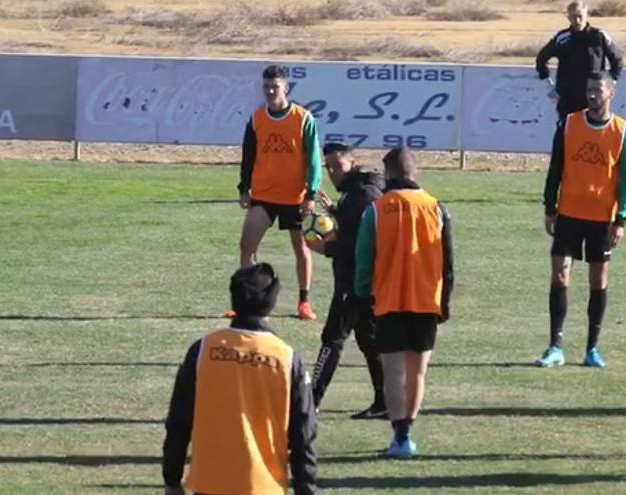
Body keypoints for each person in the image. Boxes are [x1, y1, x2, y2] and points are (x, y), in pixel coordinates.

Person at [162, 263, 318, 495]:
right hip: (265, 487)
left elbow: (179, 420)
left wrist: (172, 479)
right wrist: (306, 489)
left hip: (209, 485)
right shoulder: (285, 358)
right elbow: (303, 433)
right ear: (271, 303)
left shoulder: (203, 350)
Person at [355, 147, 453, 459]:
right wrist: (444, 301)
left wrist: (362, 293)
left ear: (389, 175)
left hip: (389, 300)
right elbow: (448, 263)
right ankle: (408, 430)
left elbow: (364, 259)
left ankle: (399, 436)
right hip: (426, 300)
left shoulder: (376, 210)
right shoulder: (436, 208)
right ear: (415, 172)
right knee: (417, 374)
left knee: (393, 373)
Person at [538, 71, 626, 369]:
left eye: (598, 90)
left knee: (599, 280)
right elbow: (555, 167)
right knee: (559, 275)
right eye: (589, 89)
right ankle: (555, 346)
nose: (592, 95)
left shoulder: (622, 133)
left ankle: (592, 348)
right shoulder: (569, 124)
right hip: (568, 214)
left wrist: (621, 219)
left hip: (601, 219)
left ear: (611, 94)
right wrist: (549, 206)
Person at [234, 64, 323, 321]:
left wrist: (311, 194)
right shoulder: (257, 118)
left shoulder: (303, 118)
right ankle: (247, 305)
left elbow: (314, 159)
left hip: (295, 197)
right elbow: (248, 156)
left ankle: (304, 302)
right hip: (263, 195)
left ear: (286, 87)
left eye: (275, 86)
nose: (270, 91)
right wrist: (244, 188)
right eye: (266, 87)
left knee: (301, 248)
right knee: (247, 246)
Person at [305, 143, 386, 419]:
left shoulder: (361, 195)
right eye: (327, 167)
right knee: (369, 340)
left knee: (332, 339)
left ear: (353, 163)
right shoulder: (358, 191)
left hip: (355, 280)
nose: (331, 172)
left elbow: (360, 242)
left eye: (336, 166)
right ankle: (384, 401)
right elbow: (356, 226)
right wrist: (337, 213)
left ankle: (310, 402)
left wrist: (325, 248)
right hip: (366, 281)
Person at [536, 1, 624, 119]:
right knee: (566, 135)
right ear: (568, 18)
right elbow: (541, 59)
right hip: (568, 100)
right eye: (573, 17)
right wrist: (549, 86)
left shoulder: (599, 36)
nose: (577, 21)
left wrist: (609, 84)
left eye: (580, 16)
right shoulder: (562, 38)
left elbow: (617, 60)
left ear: (586, 15)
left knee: (594, 134)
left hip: (594, 99)